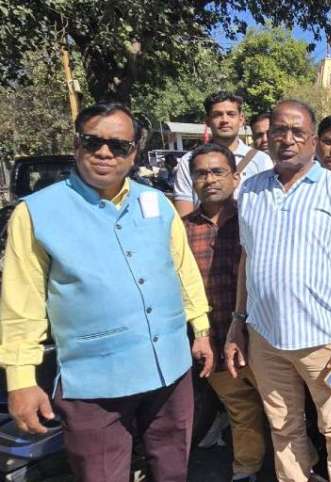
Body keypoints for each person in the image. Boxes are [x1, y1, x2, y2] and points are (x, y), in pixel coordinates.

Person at [0, 102, 214, 481]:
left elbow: (183, 270)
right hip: (94, 385)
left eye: (118, 146)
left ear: (133, 153)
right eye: (93, 142)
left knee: (172, 470)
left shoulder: (157, 203)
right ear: (76, 144)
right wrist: (21, 380)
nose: (104, 152)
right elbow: (21, 304)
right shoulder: (36, 213)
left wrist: (200, 328)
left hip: (170, 370)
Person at [225, 100, 331, 482]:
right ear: (267, 136)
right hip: (265, 338)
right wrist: (238, 322)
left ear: (313, 140)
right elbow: (246, 260)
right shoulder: (250, 190)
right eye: (279, 131)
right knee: (283, 425)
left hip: (324, 340)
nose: (287, 139)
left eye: (297, 132)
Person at [184, 143, 268, 481]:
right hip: (214, 339)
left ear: (235, 177)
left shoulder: (256, 220)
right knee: (240, 410)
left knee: (283, 409)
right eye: (201, 173)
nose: (209, 180)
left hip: (262, 337)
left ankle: (297, 467)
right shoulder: (181, 230)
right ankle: (246, 469)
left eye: (218, 171)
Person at [174, 91, 272, 215]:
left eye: (231, 114)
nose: (225, 120)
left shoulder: (261, 160)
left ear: (241, 119)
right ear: (207, 120)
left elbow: (268, 209)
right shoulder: (188, 161)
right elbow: (184, 217)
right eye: (217, 115)